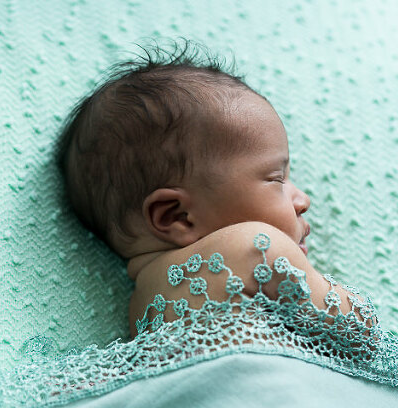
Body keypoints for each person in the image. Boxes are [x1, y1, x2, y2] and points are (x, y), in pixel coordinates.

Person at [55, 40, 366, 340]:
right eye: (276, 179)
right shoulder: (258, 249)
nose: (303, 200)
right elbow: (359, 329)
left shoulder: (140, 310)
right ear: (177, 216)